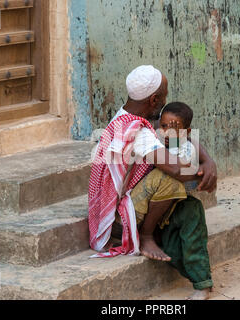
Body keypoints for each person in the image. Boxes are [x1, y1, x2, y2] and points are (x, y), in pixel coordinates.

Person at [88, 65, 217, 299]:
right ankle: (147, 237)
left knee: (192, 211)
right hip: (123, 215)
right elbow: (177, 170)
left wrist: (208, 161)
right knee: (168, 178)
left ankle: (202, 284)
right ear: (155, 99)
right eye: (165, 96)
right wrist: (204, 171)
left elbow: (183, 134)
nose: (167, 101)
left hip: (143, 202)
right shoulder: (137, 131)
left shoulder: (142, 116)